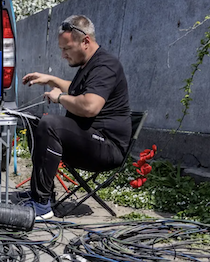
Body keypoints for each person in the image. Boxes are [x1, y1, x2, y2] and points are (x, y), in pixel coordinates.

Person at [20, 15, 131, 219]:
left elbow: (89, 106)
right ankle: (43, 194)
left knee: (50, 124)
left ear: (85, 41)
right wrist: (50, 79)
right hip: (91, 139)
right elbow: (76, 89)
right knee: (36, 123)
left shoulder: (105, 66)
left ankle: (41, 206)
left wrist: (60, 97)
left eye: (67, 49)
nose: (63, 55)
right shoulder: (89, 66)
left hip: (107, 146)